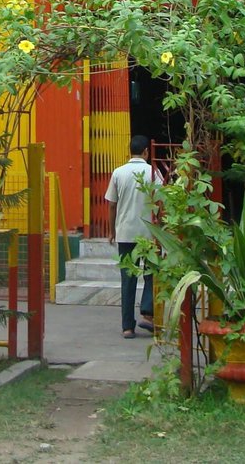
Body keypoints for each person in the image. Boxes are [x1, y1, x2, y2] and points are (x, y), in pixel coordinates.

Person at [105, 134, 161, 338]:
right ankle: (147, 311)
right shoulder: (153, 173)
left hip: (125, 233)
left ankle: (127, 327)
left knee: (127, 279)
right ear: (146, 151)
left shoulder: (118, 173)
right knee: (152, 273)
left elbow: (112, 204)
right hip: (148, 234)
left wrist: (112, 231)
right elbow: (161, 201)